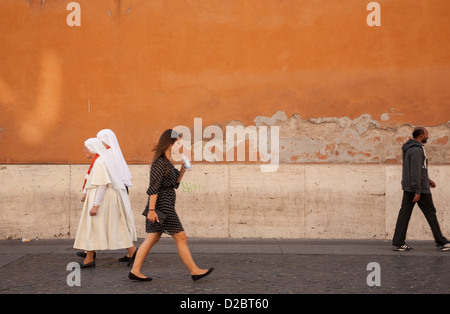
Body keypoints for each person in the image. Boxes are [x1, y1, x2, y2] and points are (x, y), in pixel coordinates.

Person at [129, 129, 213, 281]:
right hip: (162, 207)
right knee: (181, 237)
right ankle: (194, 271)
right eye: (178, 143)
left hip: (166, 204)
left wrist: (183, 170)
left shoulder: (167, 163)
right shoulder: (159, 163)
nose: (179, 146)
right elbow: (153, 188)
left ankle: (135, 271)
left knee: (152, 239)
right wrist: (152, 210)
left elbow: (174, 184)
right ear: (169, 144)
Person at [74, 138, 138, 268]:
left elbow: (102, 185)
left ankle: (133, 252)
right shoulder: (101, 160)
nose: (84, 151)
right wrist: (87, 194)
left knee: (94, 227)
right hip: (102, 199)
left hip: (102, 201)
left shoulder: (100, 162)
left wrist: (95, 205)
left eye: (85, 148)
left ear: (92, 148)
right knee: (96, 227)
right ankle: (90, 258)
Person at [392, 127, 450, 252]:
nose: (428, 137)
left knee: (405, 214)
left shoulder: (410, 149)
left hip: (411, 187)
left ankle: (398, 242)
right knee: (430, 213)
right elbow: (415, 171)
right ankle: (442, 242)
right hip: (418, 189)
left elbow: (418, 169)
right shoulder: (417, 150)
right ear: (421, 136)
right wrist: (418, 191)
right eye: (426, 134)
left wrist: (427, 180)